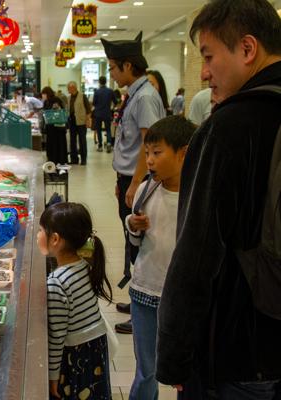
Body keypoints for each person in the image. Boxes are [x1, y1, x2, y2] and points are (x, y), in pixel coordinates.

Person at [156, 1, 281, 399]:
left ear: (247, 49)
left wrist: (175, 355)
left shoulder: (228, 128)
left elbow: (197, 256)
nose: (205, 73)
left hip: (235, 353)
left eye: (209, 57)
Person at [125, 116, 195, 400]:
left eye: (157, 153)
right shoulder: (146, 189)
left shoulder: (198, 195)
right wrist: (132, 225)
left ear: (184, 153)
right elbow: (135, 240)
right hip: (144, 289)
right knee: (146, 370)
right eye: (146, 154)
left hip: (183, 299)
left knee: (187, 372)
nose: (150, 161)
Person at [101, 32, 166, 335]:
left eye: (113, 67)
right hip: (128, 177)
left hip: (139, 179)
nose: (111, 73)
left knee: (139, 243)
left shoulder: (145, 96)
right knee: (131, 241)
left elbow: (149, 145)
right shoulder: (135, 94)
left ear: (128, 65)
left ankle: (144, 310)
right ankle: (136, 299)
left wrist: (135, 183)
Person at [39, 202, 113, 400]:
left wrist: (52, 376)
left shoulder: (56, 283)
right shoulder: (84, 266)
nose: (37, 236)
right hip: (95, 349)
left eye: (40, 231)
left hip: (75, 358)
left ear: (55, 239)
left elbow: (57, 336)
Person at [67, 81, 91, 165]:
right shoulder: (69, 97)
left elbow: (88, 109)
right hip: (72, 121)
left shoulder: (82, 96)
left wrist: (88, 120)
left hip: (81, 121)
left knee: (82, 140)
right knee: (72, 141)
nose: (68, 90)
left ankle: (83, 159)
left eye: (68, 88)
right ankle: (74, 159)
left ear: (73, 88)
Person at [42, 86, 68, 165]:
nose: (42, 96)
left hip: (56, 127)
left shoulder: (54, 100)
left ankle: (56, 159)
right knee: (55, 144)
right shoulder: (49, 101)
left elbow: (56, 111)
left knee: (56, 143)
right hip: (54, 127)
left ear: (47, 94)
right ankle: (55, 159)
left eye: (43, 94)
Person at [93, 76, 116, 153]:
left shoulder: (97, 91)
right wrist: (112, 107)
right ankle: (109, 143)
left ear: (99, 82)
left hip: (98, 113)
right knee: (108, 129)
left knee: (99, 130)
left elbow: (94, 103)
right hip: (107, 113)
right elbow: (115, 101)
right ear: (106, 81)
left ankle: (100, 146)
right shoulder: (110, 91)